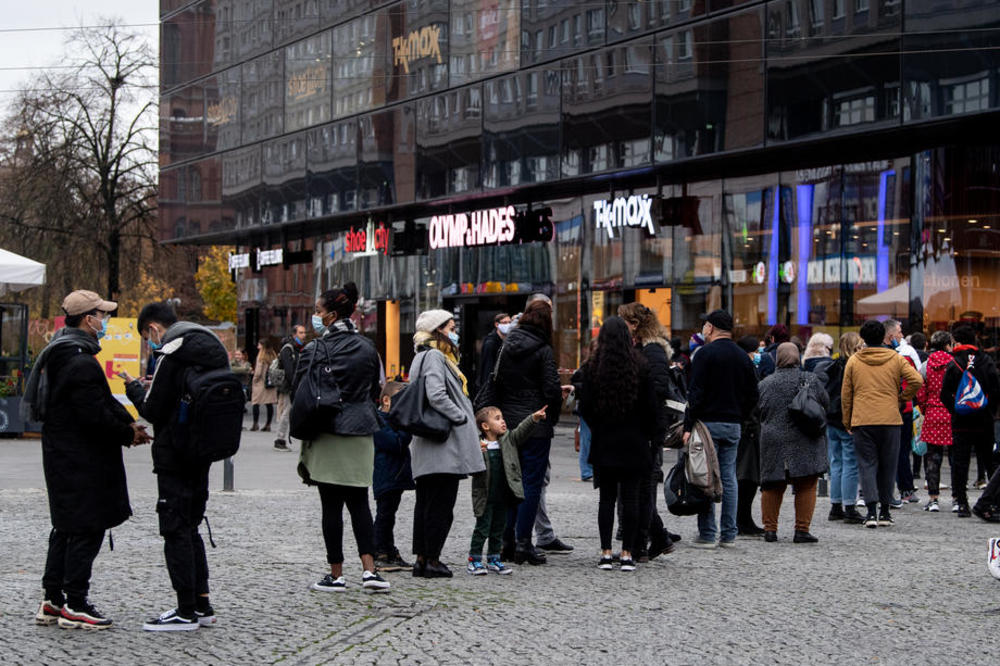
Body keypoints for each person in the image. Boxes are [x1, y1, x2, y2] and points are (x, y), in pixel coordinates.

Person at [28, 290, 149, 630]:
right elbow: (93, 412)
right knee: (85, 528)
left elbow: (99, 401)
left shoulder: (65, 351)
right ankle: (75, 603)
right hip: (81, 461)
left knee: (65, 528)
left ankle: (53, 600)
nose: (105, 321)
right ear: (87, 319)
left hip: (65, 457)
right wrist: (129, 433)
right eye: (102, 314)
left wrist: (127, 422)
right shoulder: (78, 359)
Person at [125, 301, 232, 630]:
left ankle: (184, 610)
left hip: (175, 454)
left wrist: (133, 390)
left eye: (147, 336)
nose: (149, 343)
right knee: (192, 526)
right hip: (202, 450)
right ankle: (202, 604)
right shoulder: (206, 344)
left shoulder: (172, 352)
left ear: (154, 328)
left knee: (175, 529)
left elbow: (154, 410)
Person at [291, 283, 390, 593]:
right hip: (360, 431)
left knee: (330, 507)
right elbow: (377, 388)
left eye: (319, 312)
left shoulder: (315, 348)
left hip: (327, 431)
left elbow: (300, 390)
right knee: (360, 502)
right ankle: (370, 571)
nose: (315, 318)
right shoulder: (367, 347)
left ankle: (336, 574)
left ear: (331, 316)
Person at [408, 310, 486, 578]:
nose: (455, 331)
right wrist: (461, 416)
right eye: (451, 327)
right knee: (440, 506)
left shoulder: (424, 355)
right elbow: (436, 395)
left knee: (428, 504)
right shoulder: (434, 357)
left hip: (432, 446)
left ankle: (423, 559)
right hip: (441, 446)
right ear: (439, 330)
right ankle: (431, 559)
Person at [577, 317, 657, 571]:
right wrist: (648, 434)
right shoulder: (641, 367)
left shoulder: (592, 368)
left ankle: (605, 551)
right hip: (634, 440)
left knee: (607, 499)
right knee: (631, 498)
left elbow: (586, 407)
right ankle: (627, 553)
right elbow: (651, 407)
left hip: (605, 441)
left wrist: (599, 426)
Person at [495, 299, 565, 564]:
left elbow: (496, 380)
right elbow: (551, 388)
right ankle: (524, 543)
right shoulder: (544, 349)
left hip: (509, 422)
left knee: (510, 482)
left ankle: (506, 542)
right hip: (535, 423)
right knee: (531, 484)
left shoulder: (507, 345)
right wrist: (552, 418)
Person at [683, 310, 759, 548]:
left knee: (705, 476)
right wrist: (741, 416)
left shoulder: (704, 354)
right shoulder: (742, 357)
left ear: (712, 328)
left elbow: (695, 393)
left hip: (708, 424)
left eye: (705, 325)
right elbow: (753, 394)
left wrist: (687, 425)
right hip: (733, 424)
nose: (703, 328)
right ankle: (728, 534)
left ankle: (707, 533)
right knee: (729, 477)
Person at [841, 319, 923, 529]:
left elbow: (846, 395)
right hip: (890, 418)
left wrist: (847, 420)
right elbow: (916, 380)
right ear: (884, 337)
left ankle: (870, 512)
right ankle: (885, 511)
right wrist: (902, 398)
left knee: (867, 465)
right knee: (888, 465)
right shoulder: (895, 359)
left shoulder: (854, 361)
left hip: (863, 419)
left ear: (864, 339)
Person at [618, 302, 676, 559]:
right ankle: (656, 537)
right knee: (638, 485)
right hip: (640, 424)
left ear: (635, 324)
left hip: (648, 426)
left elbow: (658, 386)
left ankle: (647, 538)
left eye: (624, 321)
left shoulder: (653, 350)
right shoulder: (640, 347)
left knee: (644, 484)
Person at [757, 343, 830, 543]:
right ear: (798, 357)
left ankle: (770, 530)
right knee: (806, 484)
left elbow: (758, 411)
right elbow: (825, 403)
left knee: (772, 485)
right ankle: (802, 530)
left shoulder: (765, 383)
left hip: (773, 439)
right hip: (805, 437)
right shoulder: (811, 379)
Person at [468, 405, 545, 575]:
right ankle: (474, 560)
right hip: (485, 496)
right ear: (485, 426)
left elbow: (520, 431)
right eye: (497, 418)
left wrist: (533, 418)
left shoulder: (508, 440)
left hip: (503, 495)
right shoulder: (478, 445)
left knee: (499, 528)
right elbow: (470, 468)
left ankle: (494, 558)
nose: (503, 421)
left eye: (502, 417)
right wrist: (476, 454)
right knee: (482, 528)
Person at [940, 324, 1000, 517]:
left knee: (960, 463)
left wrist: (956, 410)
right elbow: (996, 389)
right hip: (984, 421)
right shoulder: (986, 360)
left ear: (957, 341)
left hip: (961, 423)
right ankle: (993, 501)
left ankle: (962, 503)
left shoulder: (955, 362)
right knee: (990, 462)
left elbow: (944, 394)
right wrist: (988, 410)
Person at [373, 381, 415, 572]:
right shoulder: (379, 420)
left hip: (396, 475)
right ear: (387, 400)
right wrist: (406, 428)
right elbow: (396, 443)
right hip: (386, 475)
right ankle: (379, 551)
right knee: (384, 515)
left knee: (390, 515)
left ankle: (389, 550)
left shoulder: (392, 420)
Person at [824, 333, 865, 523]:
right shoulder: (854, 366)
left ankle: (835, 505)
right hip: (846, 420)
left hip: (831, 419)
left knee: (836, 462)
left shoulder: (833, 365)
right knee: (850, 463)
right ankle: (849, 506)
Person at [915, 331, 954, 513]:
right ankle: (957, 499)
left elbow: (920, 391)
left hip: (932, 413)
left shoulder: (926, 365)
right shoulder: (955, 363)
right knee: (956, 458)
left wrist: (925, 408)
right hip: (952, 413)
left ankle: (933, 499)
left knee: (932, 457)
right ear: (948, 345)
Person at [884, 319, 921, 505]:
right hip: (901, 408)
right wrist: (905, 398)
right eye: (898, 332)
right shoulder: (903, 355)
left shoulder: (862, 356)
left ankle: (875, 494)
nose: (901, 335)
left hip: (883, 409)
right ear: (890, 335)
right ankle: (904, 489)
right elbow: (917, 378)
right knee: (900, 451)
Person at [734, 335, 765, 537]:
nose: (759, 354)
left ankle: (742, 519)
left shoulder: (743, 366)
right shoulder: (746, 368)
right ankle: (742, 520)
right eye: (757, 350)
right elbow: (751, 399)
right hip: (748, 429)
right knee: (747, 477)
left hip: (746, 426)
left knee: (746, 477)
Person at [274, 324, 306, 451]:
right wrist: (295, 385)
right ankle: (280, 439)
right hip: (290, 386)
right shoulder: (288, 349)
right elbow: (289, 371)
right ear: (294, 334)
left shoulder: (298, 348)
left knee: (289, 412)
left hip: (296, 385)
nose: (303, 335)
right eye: (301, 333)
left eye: (304, 333)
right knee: (287, 412)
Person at [477, 313, 511, 392]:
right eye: (505, 322)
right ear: (497, 324)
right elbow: (488, 367)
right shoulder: (491, 343)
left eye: (509, 322)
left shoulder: (505, 341)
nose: (508, 325)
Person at [250, 339, 278, 432]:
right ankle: (268, 424)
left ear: (262, 346)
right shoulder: (273, 355)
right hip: (270, 383)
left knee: (255, 402)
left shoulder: (261, 357)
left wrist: (254, 380)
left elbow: (258, 372)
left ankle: (255, 424)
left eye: (259, 344)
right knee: (269, 404)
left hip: (261, 383)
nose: (257, 345)